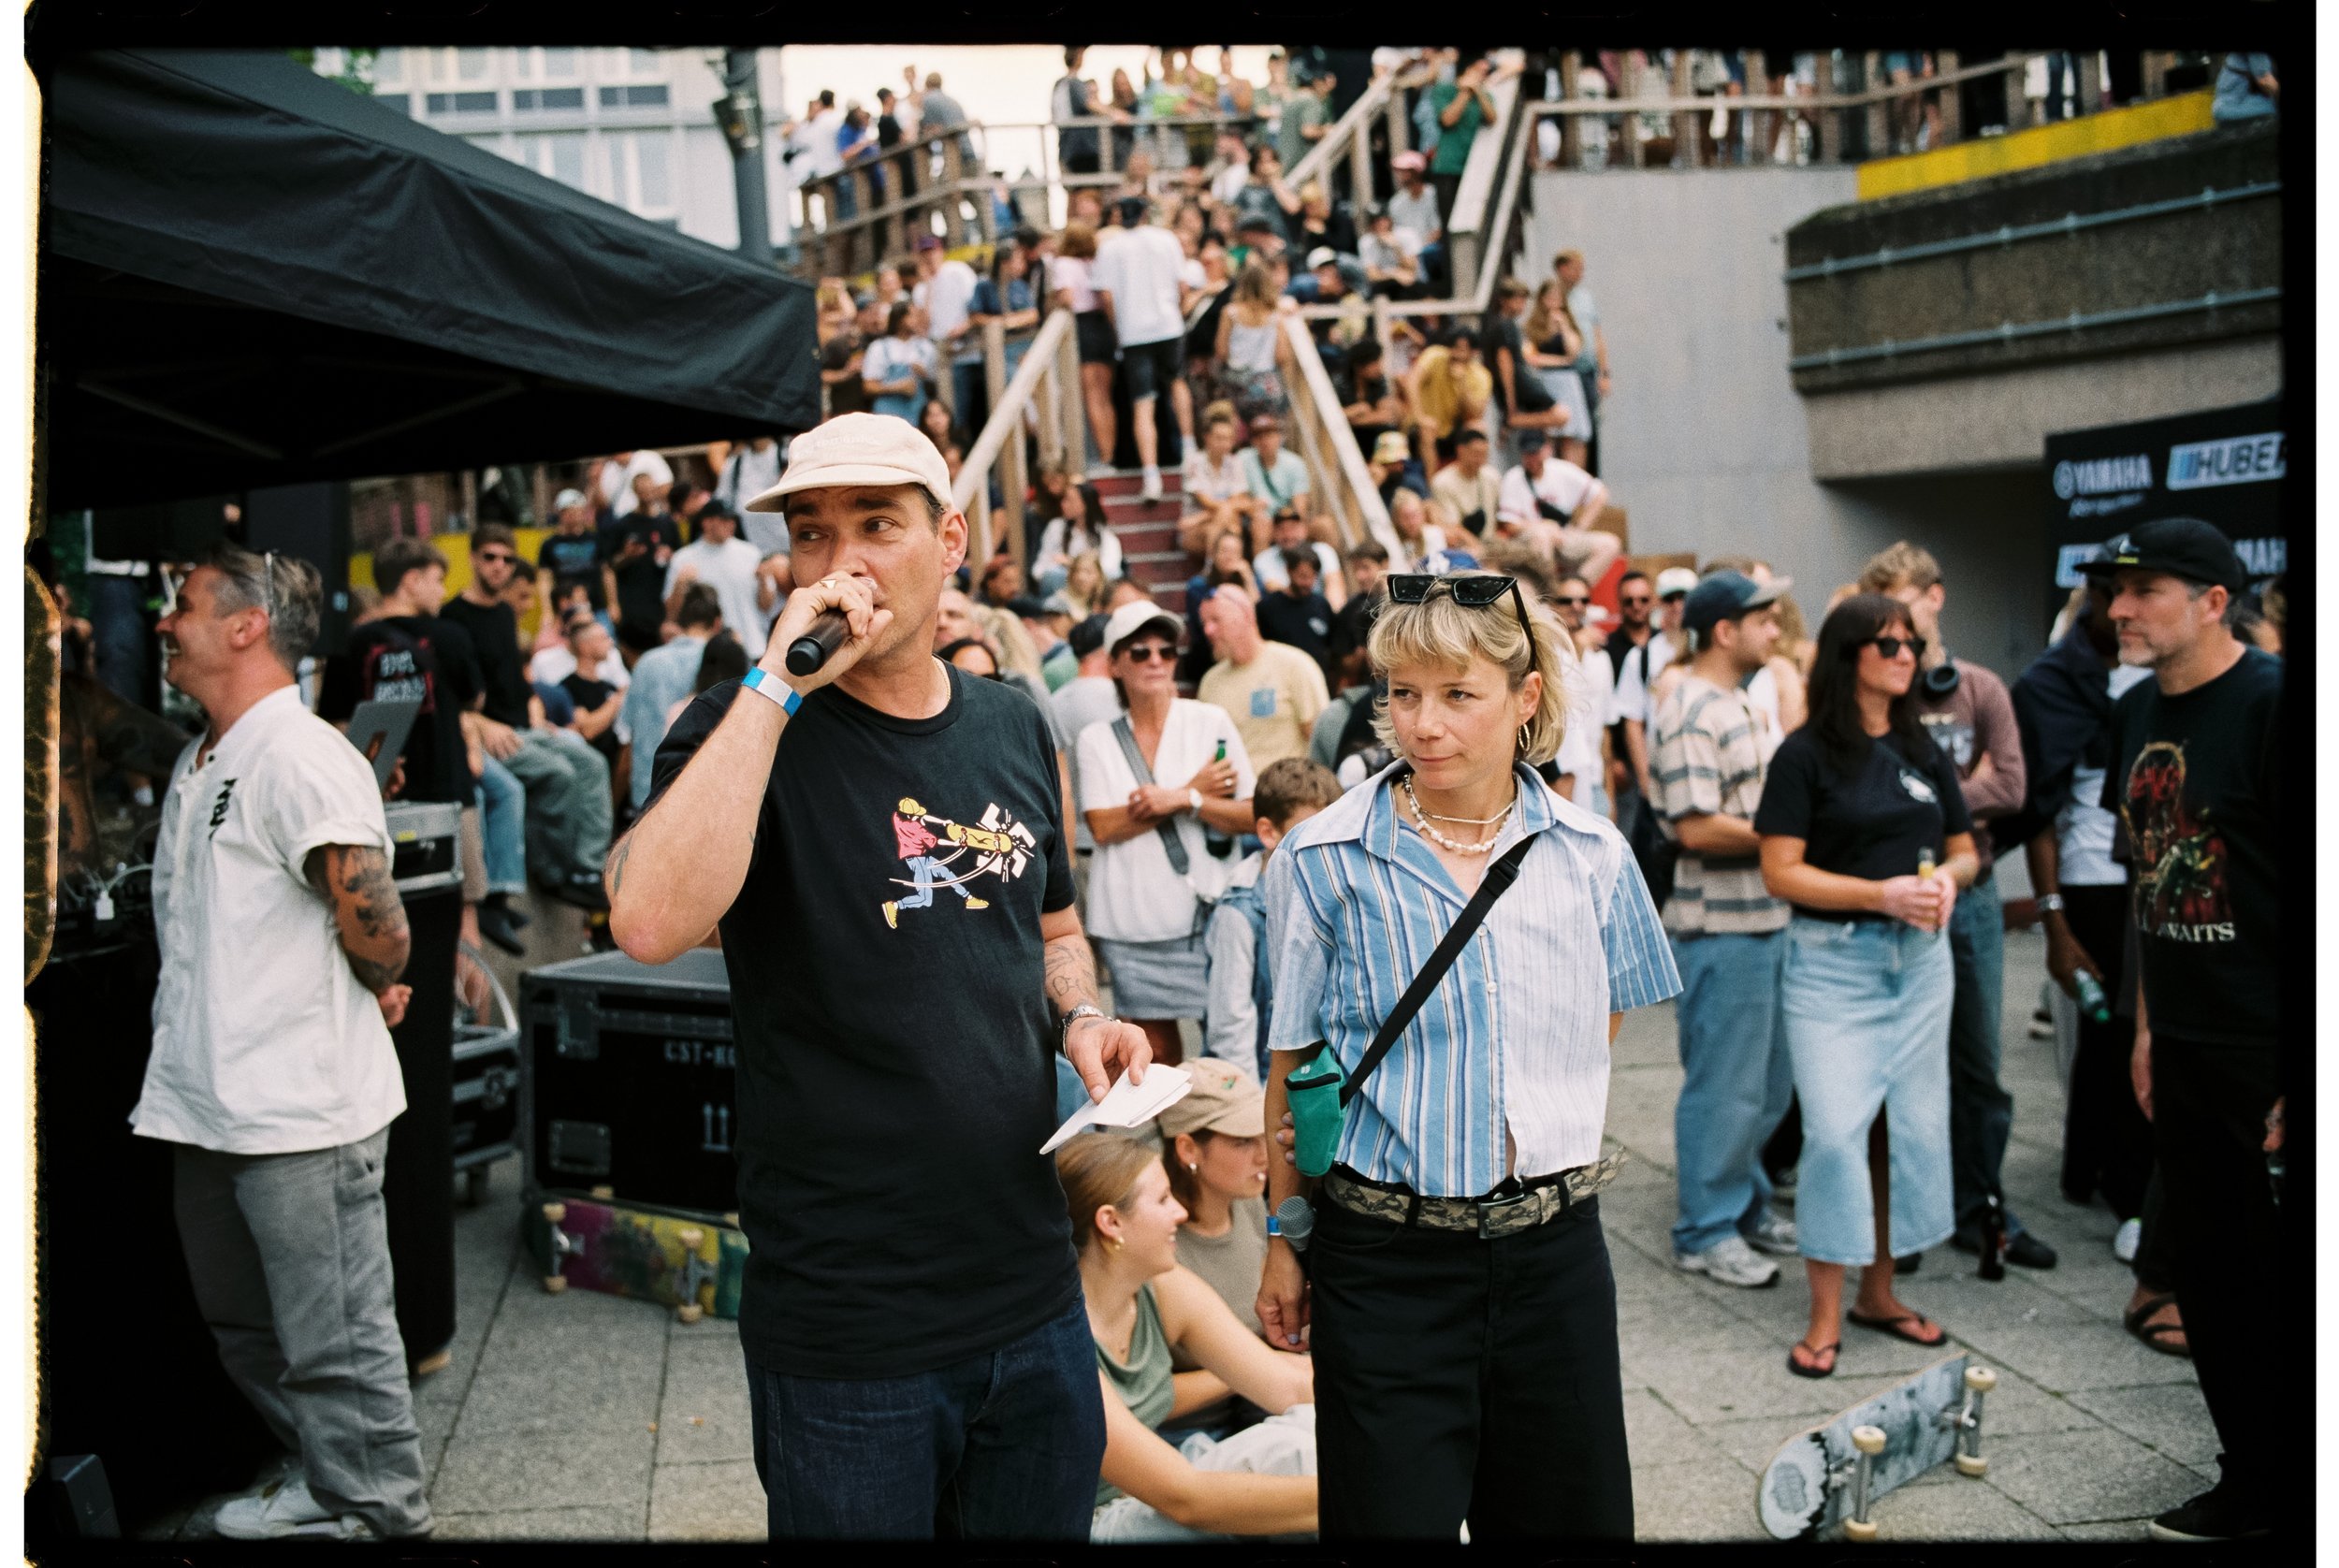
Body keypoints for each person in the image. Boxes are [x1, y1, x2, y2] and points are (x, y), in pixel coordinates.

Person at [605, 414, 1153, 1539]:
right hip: (851, 1327)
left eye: (877, 525)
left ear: (950, 541)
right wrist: (776, 682)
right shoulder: (738, 725)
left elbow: (1051, 925)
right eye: (811, 533)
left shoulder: (1011, 721)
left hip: (1030, 1290)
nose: (842, 560)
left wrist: (1084, 1017)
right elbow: (650, 920)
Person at [1257, 570, 1679, 1540]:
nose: (1422, 723)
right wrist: (1284, 1243)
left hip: (1555, 1255)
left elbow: (1596, 1024)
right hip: (1385, 1261)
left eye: (1456, 693)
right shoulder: (1322, 856)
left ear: (1524, 696)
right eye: (1402, 692)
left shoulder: (1594, 854)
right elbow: (1291, 1066)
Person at [136, 544, 432, 1541]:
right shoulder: (201, 753)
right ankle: (325, 1477)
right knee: (248, 1327)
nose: (164, 621)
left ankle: (384, 1515)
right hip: (209, 1104)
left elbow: (381, 927)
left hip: (303, 1113)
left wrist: (375, 982)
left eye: (181, 603)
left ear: (244, 624)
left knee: (337, 1338)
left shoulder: (300, 753)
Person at [2085, 518, 2281, 1543]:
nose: (2118, 607)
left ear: (2213, 598)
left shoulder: (2279, 704)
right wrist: (2147, 1026)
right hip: (2187, 1044)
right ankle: (2251, 1475)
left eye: (2143, 590)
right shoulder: (2132, 715)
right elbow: (2147, 875)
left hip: (2269, 1046)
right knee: (2207, 1271)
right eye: (2113, 592)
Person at [1754, 593, 1977, 1379]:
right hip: (1833, 964)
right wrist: (1880, 894)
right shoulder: (1805, 754)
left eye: (1910, 642)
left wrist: (1945, 883)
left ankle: (1879, 1295)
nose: (1906, 654)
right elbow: (1780, 870)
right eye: (1888, 643)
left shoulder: (1922, 747)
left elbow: (1965, 849)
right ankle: (1823, 1317)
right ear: (1849, 655)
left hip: (1919, 964)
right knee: (1837, 1134)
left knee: (1909, 1131)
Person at [1857, 543, 2051, 1270]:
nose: (1895, 634)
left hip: (1968, 898)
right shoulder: (1874, 696)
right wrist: (1948, 789)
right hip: (1887, 902)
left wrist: (1918, 792)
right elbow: (1860, 792)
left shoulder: (1979, 688)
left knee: (1980, 1063)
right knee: (1897, 1065)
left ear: (1935, 599)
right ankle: (1902, 1218)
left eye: (1903, 609)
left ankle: (1982, 1208)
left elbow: (2012, 787)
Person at [2008, 580, 2176, 1348]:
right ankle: (2109, 1180)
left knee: (2126, 1038)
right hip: (2090, 885)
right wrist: (2054, 918)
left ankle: (2100, 1173)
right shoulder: (2056, 685)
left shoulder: (2160, 685)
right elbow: (2039, 807)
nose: (2127, 617)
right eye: (2119, 600)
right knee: (2108, 1035)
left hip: (2145, 883)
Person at [1649, 572, 1799, 1286]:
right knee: (1726, 1089)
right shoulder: (1689, 709)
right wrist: (1787, 840)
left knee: (1766, 1089)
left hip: (1762, 921)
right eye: (1763, 619)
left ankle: (1745, 1208)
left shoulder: (1734, 702)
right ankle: (1703, 1231)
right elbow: (1696, 826)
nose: (1776, 629)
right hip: (1720, 928)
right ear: (1724, 631)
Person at [1058, 1134, 1317, 1543]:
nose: (1180, 1212)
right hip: (1089, 1523)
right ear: (1111, 1222)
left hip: (1153, 1495)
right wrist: (1361, 1493)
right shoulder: (1060, 1341)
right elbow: (1185, 1499)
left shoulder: (1163, 1288)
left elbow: (1291, 1385)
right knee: (1295, 1457)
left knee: (1311, 1428)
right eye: (1162, 1200)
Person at [1076, 599, 1258, 1071]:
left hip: (1208, 916)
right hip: (1132, 922)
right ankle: (1174, 1145)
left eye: (1166, 651)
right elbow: (1103, 825)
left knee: (1228, 1050)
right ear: (1115, 663)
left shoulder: (1208, 721)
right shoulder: (1097, 738)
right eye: (1139, 652)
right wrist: (1191, 790)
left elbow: (1251, 813)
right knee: (1154, 1058)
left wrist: (1183, 799)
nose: (1156, 661)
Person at [440, 526, 614, 924]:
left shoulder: (504, 612)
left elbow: (516, 680)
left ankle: (585, 868)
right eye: (490, 557)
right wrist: (482, 725)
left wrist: (539, 712)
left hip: (526, 726)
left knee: (591, 763)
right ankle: (553, 873)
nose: (499, 566)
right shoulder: (453, 617)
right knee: (559, 774)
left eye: (506, 559)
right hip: (488, 733)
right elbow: (454, 696)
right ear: (472, 559)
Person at [1203, 757, 1341, 1081]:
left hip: (1317, 1078)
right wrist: (1255, 1108)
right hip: (1263, 1081)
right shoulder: (1238, 913)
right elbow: (1230, 1025)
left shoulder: (1329, 892)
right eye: (1309, 832)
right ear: (1268, 832)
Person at [1161, 1063, 1276, 1335]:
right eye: (1243, 1141)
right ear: (1188, 1149)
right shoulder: (1157, 1240)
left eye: (1263, 1135)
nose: (1265, 1156)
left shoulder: (1247, 1199)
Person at [1093, 196, 1192, 502]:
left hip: (1134, 333)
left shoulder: (1110, 248)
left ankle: (1152, 476)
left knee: (1143, 404)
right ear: (1147, 214)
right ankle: (1189, 452)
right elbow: (1182, 285)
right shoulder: (1167, 239)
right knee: (1177, 384)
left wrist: (1118, 329)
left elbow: (1106, 297)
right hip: (1168, 325)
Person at [1196, 581, 1329, 769]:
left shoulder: (1294, 665)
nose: (1207, 631)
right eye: (1204, 623)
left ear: (1247, 615)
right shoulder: (1210, 681)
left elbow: (1321, 743)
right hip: (1235, 795)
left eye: (1216, 620)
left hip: (1288, 791)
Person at [618, 584, 721, 815]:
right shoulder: (725, 659)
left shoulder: (647, 663)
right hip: (704, 798)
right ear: (717, 623)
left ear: (679, 621)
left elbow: (627, 739)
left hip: (648, 795)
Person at [1494, 431, 1619, 586]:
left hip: (1564, 536)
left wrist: (1578, 528)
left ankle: (1577, 588)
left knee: (1610, 543)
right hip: (1530, 540)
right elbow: (1509, 524)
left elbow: (1601, 493)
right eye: (1528, 454)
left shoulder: (1560, 470)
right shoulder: (1513, 478)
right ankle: (1549, 592)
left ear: (1546, 450)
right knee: (1541, 537)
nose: (1533, 458)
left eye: (1536, 452)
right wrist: (1545, 527)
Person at [1617, 566, 1695, 806]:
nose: (1677, 605)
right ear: (1660, 603)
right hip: (1663, 774)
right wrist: (1646, 784)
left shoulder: (1710, 650)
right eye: (1670, 598)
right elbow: (1633, 723)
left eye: (1684, 597)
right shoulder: (1641, 657)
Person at [665, 501, 775, 661]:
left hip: (751, 647)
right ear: (706, 522)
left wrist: (764, 579)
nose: (730, 525)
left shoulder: (751, 554)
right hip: (705, 653)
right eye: (723, 520)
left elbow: (766, 606)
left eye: (732, 520)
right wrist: (680, 585)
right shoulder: (683, 559)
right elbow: (671, 616)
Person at [1051, 614, 1122, 859]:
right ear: (1109, 648)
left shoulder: (1054, 701)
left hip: (1073, 839)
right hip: (1118, 837)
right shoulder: (1122, 699)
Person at [1053, 222, 1118, 478]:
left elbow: (1067, 298)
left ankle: (1102, 456)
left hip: (1082, 328)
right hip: (1102, 327)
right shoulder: (1096, 264)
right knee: (1105, 397)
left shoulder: (1064, 264)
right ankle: (1109, 453)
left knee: (1092, 396)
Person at [603, 492, 685, 666]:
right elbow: (609, 566)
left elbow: (680, 558)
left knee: (661, 655)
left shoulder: (667, 523)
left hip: (660, 602)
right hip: (632, 603)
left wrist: (669, 557)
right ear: (635, 493)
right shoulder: (623, 524)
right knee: (632, 653)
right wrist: (627, 556)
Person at [1213, 262, 1291, 428]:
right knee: (1267, 429)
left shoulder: (1230, 312)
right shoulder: (1275, 316)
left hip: (1237, 384)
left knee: (1238, 429)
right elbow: (1282, 356)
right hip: (1266, 383)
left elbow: (1221, 352)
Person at [1180, 407, 1263, 559]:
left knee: (1258, 520)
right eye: (1219, 438)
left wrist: (1203, 516)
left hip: (1207, 521)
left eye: (1228, 439)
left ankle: (1220, 568)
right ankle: (1219, 569)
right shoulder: (1193, 462)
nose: (1224, 444)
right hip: (1195, 531)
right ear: (1207, 437)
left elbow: (1238, 499)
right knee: (1228, 522)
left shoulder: (1235, 462)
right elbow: (1207, 502)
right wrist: (1238, 506)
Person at [1405, 329, 1492, 469]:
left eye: (1463, 349)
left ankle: (1476, 479)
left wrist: (1462, 384)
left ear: (1473, 352)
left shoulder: (1481, 375)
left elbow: (1477, 413)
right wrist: (1420, 417)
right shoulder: (1434, 356)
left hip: (1452, 429)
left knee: (1478, 428)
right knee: (1427, 431)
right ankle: (1432, 487)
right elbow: (1411, 382)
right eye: (1454, 348)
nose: (1457, 354)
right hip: (1424, 426)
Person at [1255, 547, 1337, 684]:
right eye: (1302, 576)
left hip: (1317, 683)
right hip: (1280, 682)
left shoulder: (1321, 605)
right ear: (1288, 570)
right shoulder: (1267, 608)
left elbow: (1332, 649)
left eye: (1312, 576)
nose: (1307, 583)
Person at [535, 487, 617, 615]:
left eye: (577, 510)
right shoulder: (549, 544)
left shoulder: (596, 539)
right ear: (560, 513)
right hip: (564, 610)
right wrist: (547, 612)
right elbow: (544, 579)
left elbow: (607, 573)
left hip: (596, 608)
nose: (573, 515)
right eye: (568, 511)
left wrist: (613, 604)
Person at [1033, 481, 1124, 592]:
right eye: (1063, 499)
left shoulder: (1104, 534)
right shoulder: (1056, 527)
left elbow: (1111, 569)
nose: (1063, 504)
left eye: (1070, 500)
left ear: (1085, 504)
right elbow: (1039, 569)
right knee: (1052, 576)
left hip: (1095, 589)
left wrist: (1074, 565)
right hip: (1064, 589)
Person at [1248, 507, 1344, 608]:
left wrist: (1332, 616)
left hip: (1321, 613)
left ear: (1304, 529)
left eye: (1293, 528)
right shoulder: (1263, 559)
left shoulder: (1323, 551)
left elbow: (1334, 586)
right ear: (1274, 533)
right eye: (1281, 529)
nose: (1288, 535)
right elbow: (1274, 589)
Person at [1236, 413, 1314, 531]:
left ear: (1279, 436)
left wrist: (1291, 521)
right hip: (1257, 518)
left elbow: (1300, 505)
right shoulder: (1243, 458)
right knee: (1262, 523)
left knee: (1325, 526)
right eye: (1259, 437)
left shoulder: (1295, 463)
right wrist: (1251, 505)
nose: (1264, 441)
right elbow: (1237, 496)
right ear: (1253, 441)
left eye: (1269, 435)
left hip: (1288, 517)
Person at [1428, 428, 1503, 538]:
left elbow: (1501, 514)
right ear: (1461, 450)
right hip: (1461, 544)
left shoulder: (1492, 476)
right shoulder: (1442, 482)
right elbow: (1451, 525)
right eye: (1476, 454)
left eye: (1484, 454)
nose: (1480, 459)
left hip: (1491, 540)